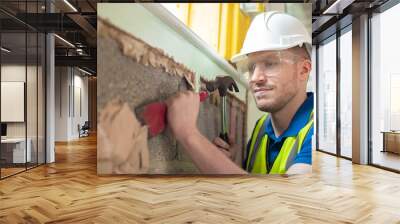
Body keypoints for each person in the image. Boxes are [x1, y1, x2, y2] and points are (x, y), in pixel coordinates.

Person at [166, 11, 313, 175]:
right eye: (251, 67)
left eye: (271, 64)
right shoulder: (262, 127)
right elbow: (252, 181)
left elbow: (286, 198)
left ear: (303, 70)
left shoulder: (317, 134)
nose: (255, 78)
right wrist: (231, 163)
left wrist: (188, 134)